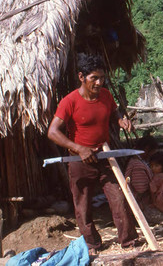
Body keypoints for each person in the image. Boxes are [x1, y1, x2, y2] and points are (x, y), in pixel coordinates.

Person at [47, 53, 138, 255]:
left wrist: (121, 120)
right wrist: (79, 148)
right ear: (82, 77)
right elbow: (52, 132)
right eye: (94, 78)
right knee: (83, 205)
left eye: (102, 78)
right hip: (80, 161)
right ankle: (92, 244)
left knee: (119, 197)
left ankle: (129, 242)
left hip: (105, 157)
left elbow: (113, 112)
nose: (99, 83)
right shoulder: (69, 102)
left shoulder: (106, 96)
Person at [124, 135, 157, 207]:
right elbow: (141, 190)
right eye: (153, 151)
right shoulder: (137, 166)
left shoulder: (140, 160)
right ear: (147, 149)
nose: (153, 154)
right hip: (138, 202)